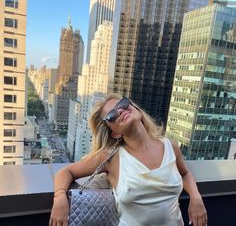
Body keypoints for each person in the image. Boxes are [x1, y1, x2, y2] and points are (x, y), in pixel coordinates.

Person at [49, 93, 207, 226]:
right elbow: (66, 172)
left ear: (135, 108)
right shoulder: (111, 157)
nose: (120, 111)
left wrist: (196, 196)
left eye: (123, 104)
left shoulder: (170, 147)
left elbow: (185, 173)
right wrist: (60, 197)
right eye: (111, 115)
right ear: (115, 133)